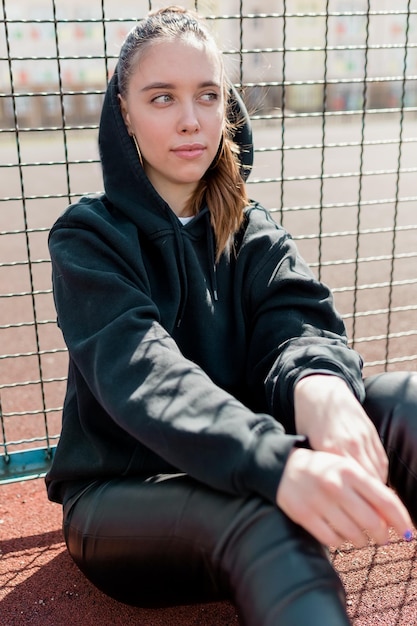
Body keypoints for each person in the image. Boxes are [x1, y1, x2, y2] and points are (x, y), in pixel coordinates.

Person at [46, 6, 417, 625]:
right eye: (162, 98)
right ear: (126, 116)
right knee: (267, 522)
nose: (191, 119)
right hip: (125, 492)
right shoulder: (87, 238)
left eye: (207, 95)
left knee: (404, 404)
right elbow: (145, 373)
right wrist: (279, 462)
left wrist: (320, 387)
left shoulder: (250, 227)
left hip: (250, 451)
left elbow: (293, 318)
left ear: (227, 108)